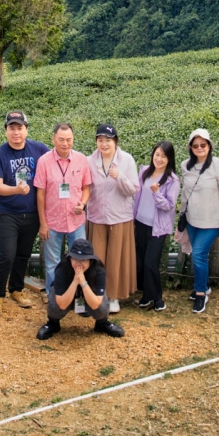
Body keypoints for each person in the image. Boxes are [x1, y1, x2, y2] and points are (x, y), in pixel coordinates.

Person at [0, 111, 48, 314]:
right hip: (7, 213)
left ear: (26, 129)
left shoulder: (39, 149)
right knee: (7, 254)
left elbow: (54, 164)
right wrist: (16, 190)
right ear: (6, 131)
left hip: (31, 214)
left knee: (23, 254)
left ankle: (16, 289)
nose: (16, 132)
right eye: (11, 128)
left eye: (19, 127)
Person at [177, 128, 219, 314]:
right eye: (195, 145)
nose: (199, 148)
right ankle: (204, 286)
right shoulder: (186, 165)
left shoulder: (218, 165)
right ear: (190, 148)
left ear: (209, 146)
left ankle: (201, 293)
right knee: (198, 254)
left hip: (212, 221)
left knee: (198, 255)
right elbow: (185, 191)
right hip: (192, 219)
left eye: (203, 144)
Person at [35, 122, 92, 298]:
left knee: (81, 260)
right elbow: (40, 195)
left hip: (76, 222)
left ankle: (79, 295)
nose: (65, 143)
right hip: (52, 221)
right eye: (61, 139)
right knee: (52, 263)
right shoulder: (44, 161)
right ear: (53, 139)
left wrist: (82, 204)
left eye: (68, 140)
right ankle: (54, 296)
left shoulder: (81, 160)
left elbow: (86, 188)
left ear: (73, 139)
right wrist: (43, 224)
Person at [85, 123, 138, 314]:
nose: (104, 144)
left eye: (108, 140)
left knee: (116, 258)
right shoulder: (89, 161)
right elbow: (85, 187)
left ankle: (114, 296)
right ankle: (98, 294)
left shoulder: (127, 160)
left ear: (115, 141)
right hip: (97, 216)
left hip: (119, 217)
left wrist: (120, 177)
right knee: (97, 257)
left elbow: (133, 189)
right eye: (100, 140)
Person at [36, 238, 125, 340]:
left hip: (89, 296)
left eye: (83, 260)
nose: (79, 263)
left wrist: (83, 283)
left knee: (102, 307)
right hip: (67, 296)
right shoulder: (62, 268)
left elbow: (96, 303)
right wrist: (75, 282)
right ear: (70, 259)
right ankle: (53, 323)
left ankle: (102, 323)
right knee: (55, 305)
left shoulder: (99, 270)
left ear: (90, 260)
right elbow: (61, 303)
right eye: (75, 259)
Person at [133, 141, 179, 311]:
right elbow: (137, 198)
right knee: (142, 262)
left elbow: (169, 205)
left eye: (163, 156)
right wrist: (133, 219)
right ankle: (146, 297)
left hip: (157, 227)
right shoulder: (144, 171)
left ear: (169, 159)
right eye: (157, 154)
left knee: (151, 263)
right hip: (141, 222)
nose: (159, 159)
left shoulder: (172, 180)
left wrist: (156, 193)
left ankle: (158, 298)